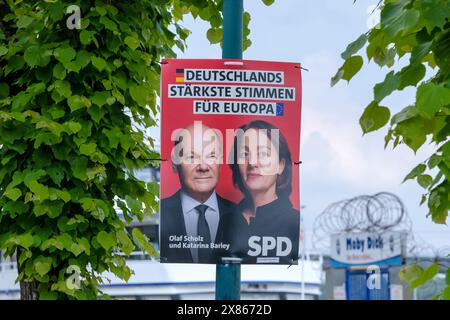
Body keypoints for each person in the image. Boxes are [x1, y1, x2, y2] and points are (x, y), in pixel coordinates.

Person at [224, 120, 300, 264]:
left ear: (281, 166)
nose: (252, 162)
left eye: (263, 154)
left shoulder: (293, 222)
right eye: (244, 154)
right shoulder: (225, 221)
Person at [160, 122, 235, 263]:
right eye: (192, 157)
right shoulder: (159, 213)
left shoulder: (240, 215)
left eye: (211, 156)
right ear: (175, 165)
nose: (203, 166)